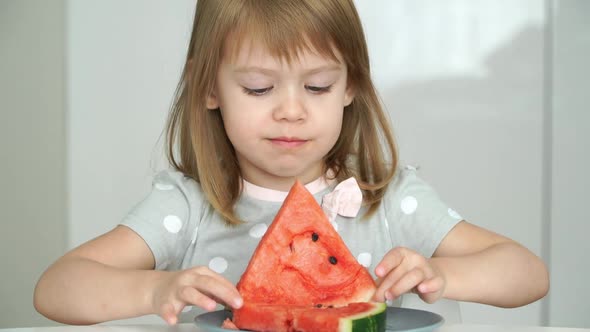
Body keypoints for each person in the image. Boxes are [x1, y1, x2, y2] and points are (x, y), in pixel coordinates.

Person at [34, 0, 549, 326]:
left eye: (317, 86)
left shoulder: (388, 200)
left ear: (350, 87)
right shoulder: (188, 205)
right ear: (209, 86)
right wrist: (154, 288)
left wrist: (442, 274)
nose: (290, 110)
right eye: (258, 87)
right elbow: (56, 287)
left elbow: (527, 273)